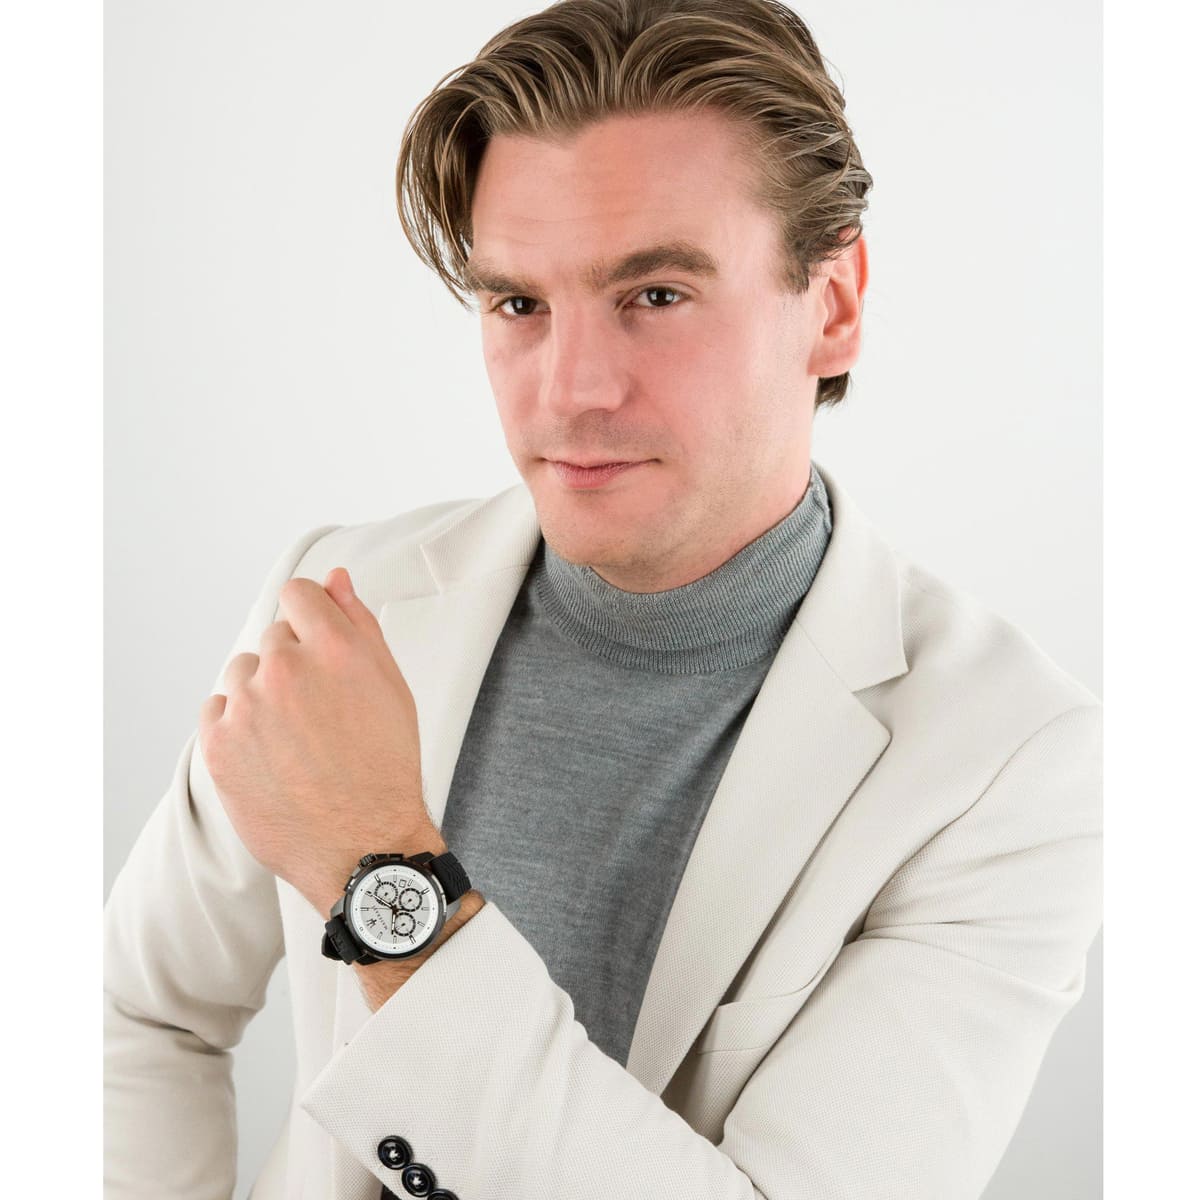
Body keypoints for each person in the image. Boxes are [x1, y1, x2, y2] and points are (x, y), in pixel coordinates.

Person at [104, 2, 1102, 1198]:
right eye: (518, 303)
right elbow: (133, 1012)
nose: (571, 390)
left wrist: (383, 870)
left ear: (833, 304)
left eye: (657, 295)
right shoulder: (341, 600)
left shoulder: (1008, 762)